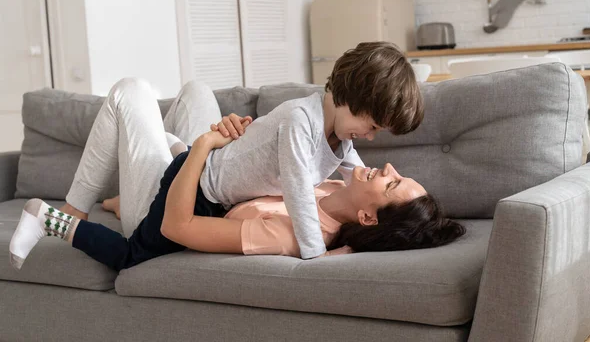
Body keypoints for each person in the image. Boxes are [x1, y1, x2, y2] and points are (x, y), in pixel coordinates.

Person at [12, 41, 425, 264]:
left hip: (211, 167)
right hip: (199, 185)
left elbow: (360, 174)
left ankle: (135, 188)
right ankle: (70, 210)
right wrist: (320, 256)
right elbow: (300, 194)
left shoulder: (343, 139)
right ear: (354, 97)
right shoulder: (303, 122)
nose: (371, 139)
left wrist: (363, 239)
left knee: (196, 91)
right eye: (372, 125)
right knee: (131, 91)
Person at [9, 105, 464, 268]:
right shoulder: (329, 180)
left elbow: (179, 226)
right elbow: (343, 143)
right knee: (195, 91)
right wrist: (233, 132)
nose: (385, 166)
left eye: (392, 182)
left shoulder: (291, 230)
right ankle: (122, 195)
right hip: (205, 169)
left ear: (367, 217)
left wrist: (204, 147)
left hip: (191, 183)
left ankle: (58, 214)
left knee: (129, 92)